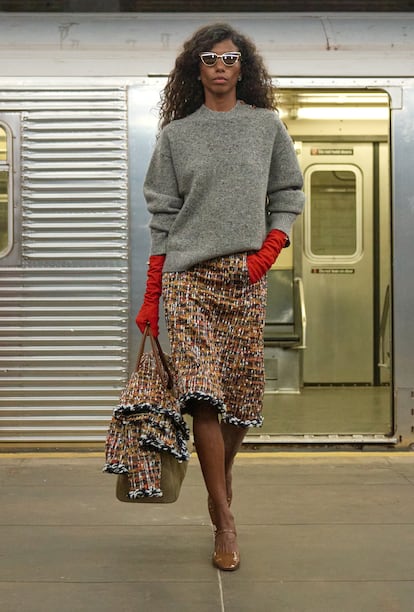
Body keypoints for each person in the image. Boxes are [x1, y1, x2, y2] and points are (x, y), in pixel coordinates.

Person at [136, 22, 305, 571]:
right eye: (209, 58)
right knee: (202, 395)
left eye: (229, 58)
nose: (219, 67)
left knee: (240, 397)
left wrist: (268, 251)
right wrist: (152, 295)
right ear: (197, 68)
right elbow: (163, 218)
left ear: (242, 67)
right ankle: (224, 518)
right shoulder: (176, 136)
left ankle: (220, 476)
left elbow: (288, 192)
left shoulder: (265, 126)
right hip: (187, 280)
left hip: (244, 278)